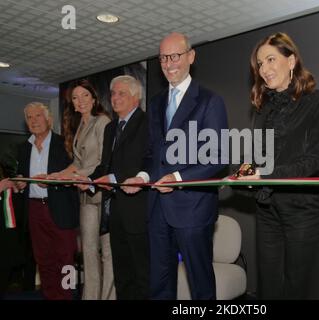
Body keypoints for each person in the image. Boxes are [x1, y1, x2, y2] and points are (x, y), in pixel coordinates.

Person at [122, 32, 228, 300]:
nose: (169, 63)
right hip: (157, 208)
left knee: (200, 284)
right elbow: (152, 153)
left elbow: (217, 157)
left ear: (191, 57)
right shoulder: (156, 103)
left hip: (192, 209)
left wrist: (177, 177)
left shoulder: (209, 101)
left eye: (175, 56)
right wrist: (142, 176)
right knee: (159, 283)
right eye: (163, 58)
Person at [234, 32, 319, 299]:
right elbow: (258, 158)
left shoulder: (317, 101)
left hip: (302, 211)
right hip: (267, 209)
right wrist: (244, 172)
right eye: (260, 64)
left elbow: (314, 161)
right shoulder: (262, 108)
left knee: (299, 287)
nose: (264, 69)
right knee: (268, 287)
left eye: (270, 59)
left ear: (291, 61)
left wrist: (264, 173)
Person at [77, 75, 150, 300]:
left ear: (136, 98)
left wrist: (113, 177)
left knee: (143, 277)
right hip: (114, 212)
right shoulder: (111, 129)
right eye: (113, 93)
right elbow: (104, 166)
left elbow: (148, 161)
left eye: (121, 93)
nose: (115, 98)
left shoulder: (147, 123)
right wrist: (89, 183)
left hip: (139, 212)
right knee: (122, 276)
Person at [48, 79, 115, 300]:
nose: (81, 100)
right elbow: (77, 163)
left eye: (85, 95)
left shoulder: (102, 121)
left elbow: (104, 162)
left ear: (94, 99)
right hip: (85, 196)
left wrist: (79, 176)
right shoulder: (80, 128)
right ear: (73, 105)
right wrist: (56, 176)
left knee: (108, 254)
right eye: (76, 98)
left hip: (103, 194)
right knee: (88, 253)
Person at [15, 102, 79, 300]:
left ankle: (67, 296)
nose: (34, 121)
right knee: (43, 259)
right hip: (35, 210)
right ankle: (50, 296)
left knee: (66, 259)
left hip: (61, 208)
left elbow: (77, 172)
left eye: (38, 116)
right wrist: (20, 183)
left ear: (48, 119)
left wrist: (53, 180)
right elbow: (21, 176)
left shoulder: (65, 144)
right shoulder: (24, 148)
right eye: (30, 118)